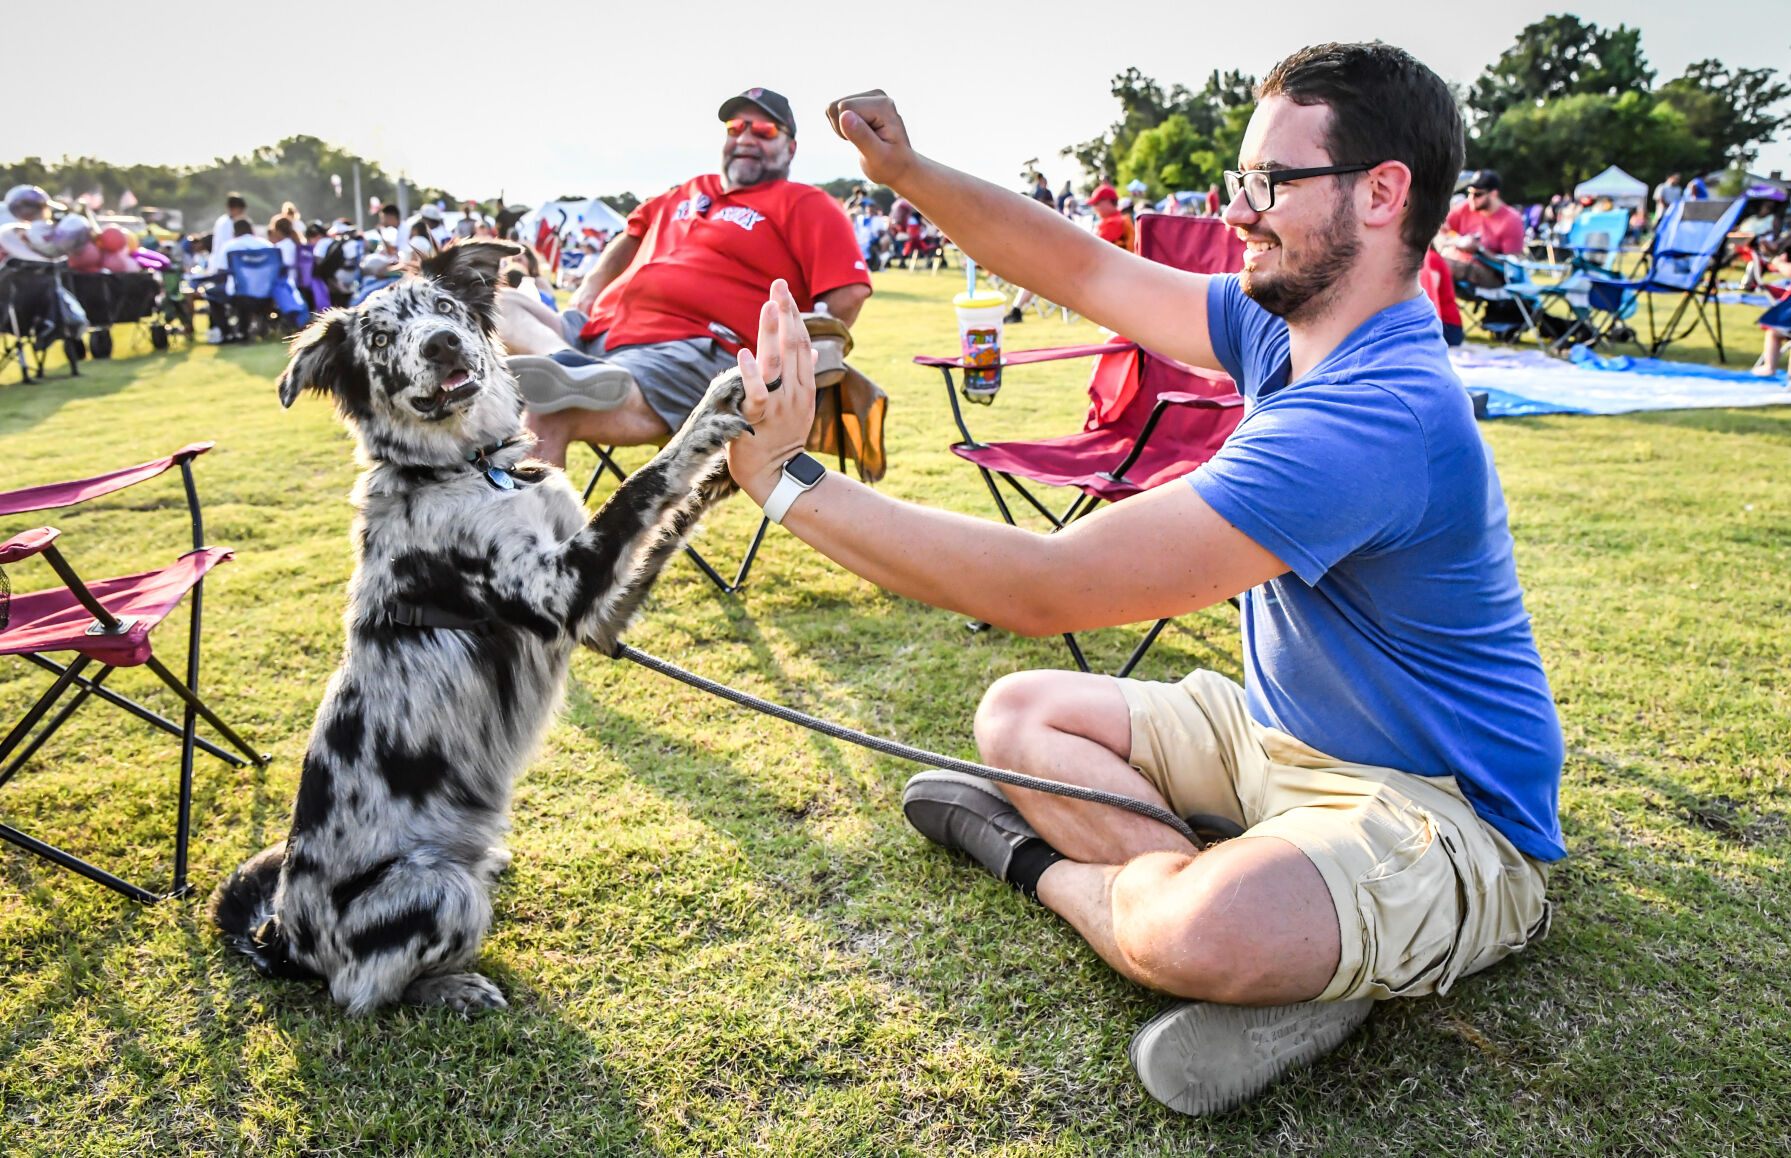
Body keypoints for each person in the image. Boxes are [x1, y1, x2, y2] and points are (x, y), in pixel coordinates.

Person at [721, 41, 1563, 1117]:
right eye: (1240, 181)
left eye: (1271, 183)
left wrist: (786, 483)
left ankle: (1062, 870)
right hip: (1277, 743)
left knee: (1193, 931)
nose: (1239, 211)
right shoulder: (1282, 326)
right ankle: (1278, 936)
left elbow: (1048, 588)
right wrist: (909, 173)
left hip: (1443, 814)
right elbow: (1085, 270)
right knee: (1020, 710)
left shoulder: (1376, 415)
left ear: (1382, 192)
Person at [493, 87, 872, 467]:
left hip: (689, 351)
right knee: (496, 304)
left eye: (764, 131)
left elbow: (848, 294)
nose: (745, 138)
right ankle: (564, 361)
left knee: (548, 408)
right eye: (736, 127)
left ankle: (531, 525)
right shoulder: (688, 190)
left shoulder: (806, 203)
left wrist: (778, 367)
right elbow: (632, 233)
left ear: (790, 148)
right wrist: (590, 287)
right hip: (596, 337)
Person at [1437, 169, 1523, 288]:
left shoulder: (1511, 220)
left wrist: (1480, 249)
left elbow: (1512, 265)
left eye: (1478, 194)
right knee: (1428, 261)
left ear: (1493, 193)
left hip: (1493, 275)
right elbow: (1440, 228)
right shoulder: (1465, 207)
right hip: (1459, 264)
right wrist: (1451, 239)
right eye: (1470, 193)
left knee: (1438, 265)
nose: (1471, 198)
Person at [206, 193, 249, 275]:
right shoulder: (225, 223)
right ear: (230, 209)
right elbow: (227, 245)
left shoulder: (234, 222)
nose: (241, 213)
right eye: (240, 211)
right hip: (222, 265)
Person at [1087, 184, 1134, 251]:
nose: (1094, 208)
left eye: (1096, 203)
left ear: (1107, 201)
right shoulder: (1118, 218)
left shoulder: (1112, 222)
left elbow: (1093, 249)